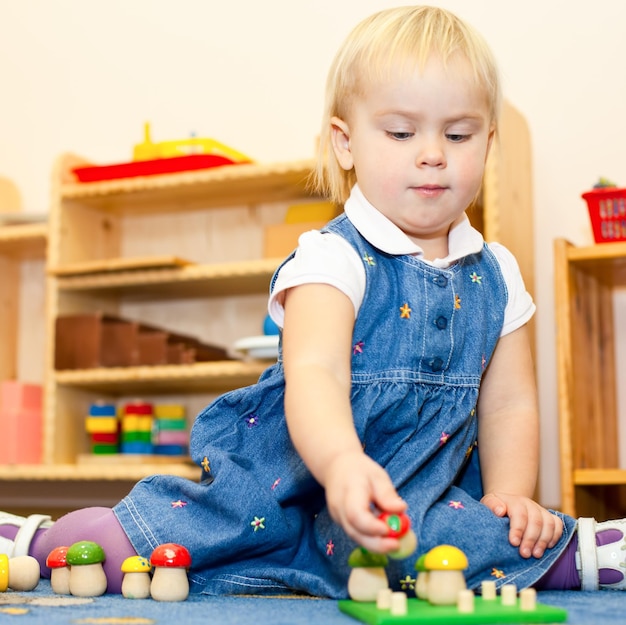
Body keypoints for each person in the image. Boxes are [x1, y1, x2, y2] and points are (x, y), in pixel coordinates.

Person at [1, 5, 624, 597]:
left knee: (454, 545)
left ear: (488, 144)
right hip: (281, 483)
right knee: (153, 545)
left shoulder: (500, 274)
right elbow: (316, 373)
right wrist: (343, 463)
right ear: (346, 144)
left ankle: (583, 554)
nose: (433, 152)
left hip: (409, 499)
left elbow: (511, 401)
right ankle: (42, 538)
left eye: (458, 134)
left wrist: (511, 495)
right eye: (403, 131)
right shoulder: (333, 257)